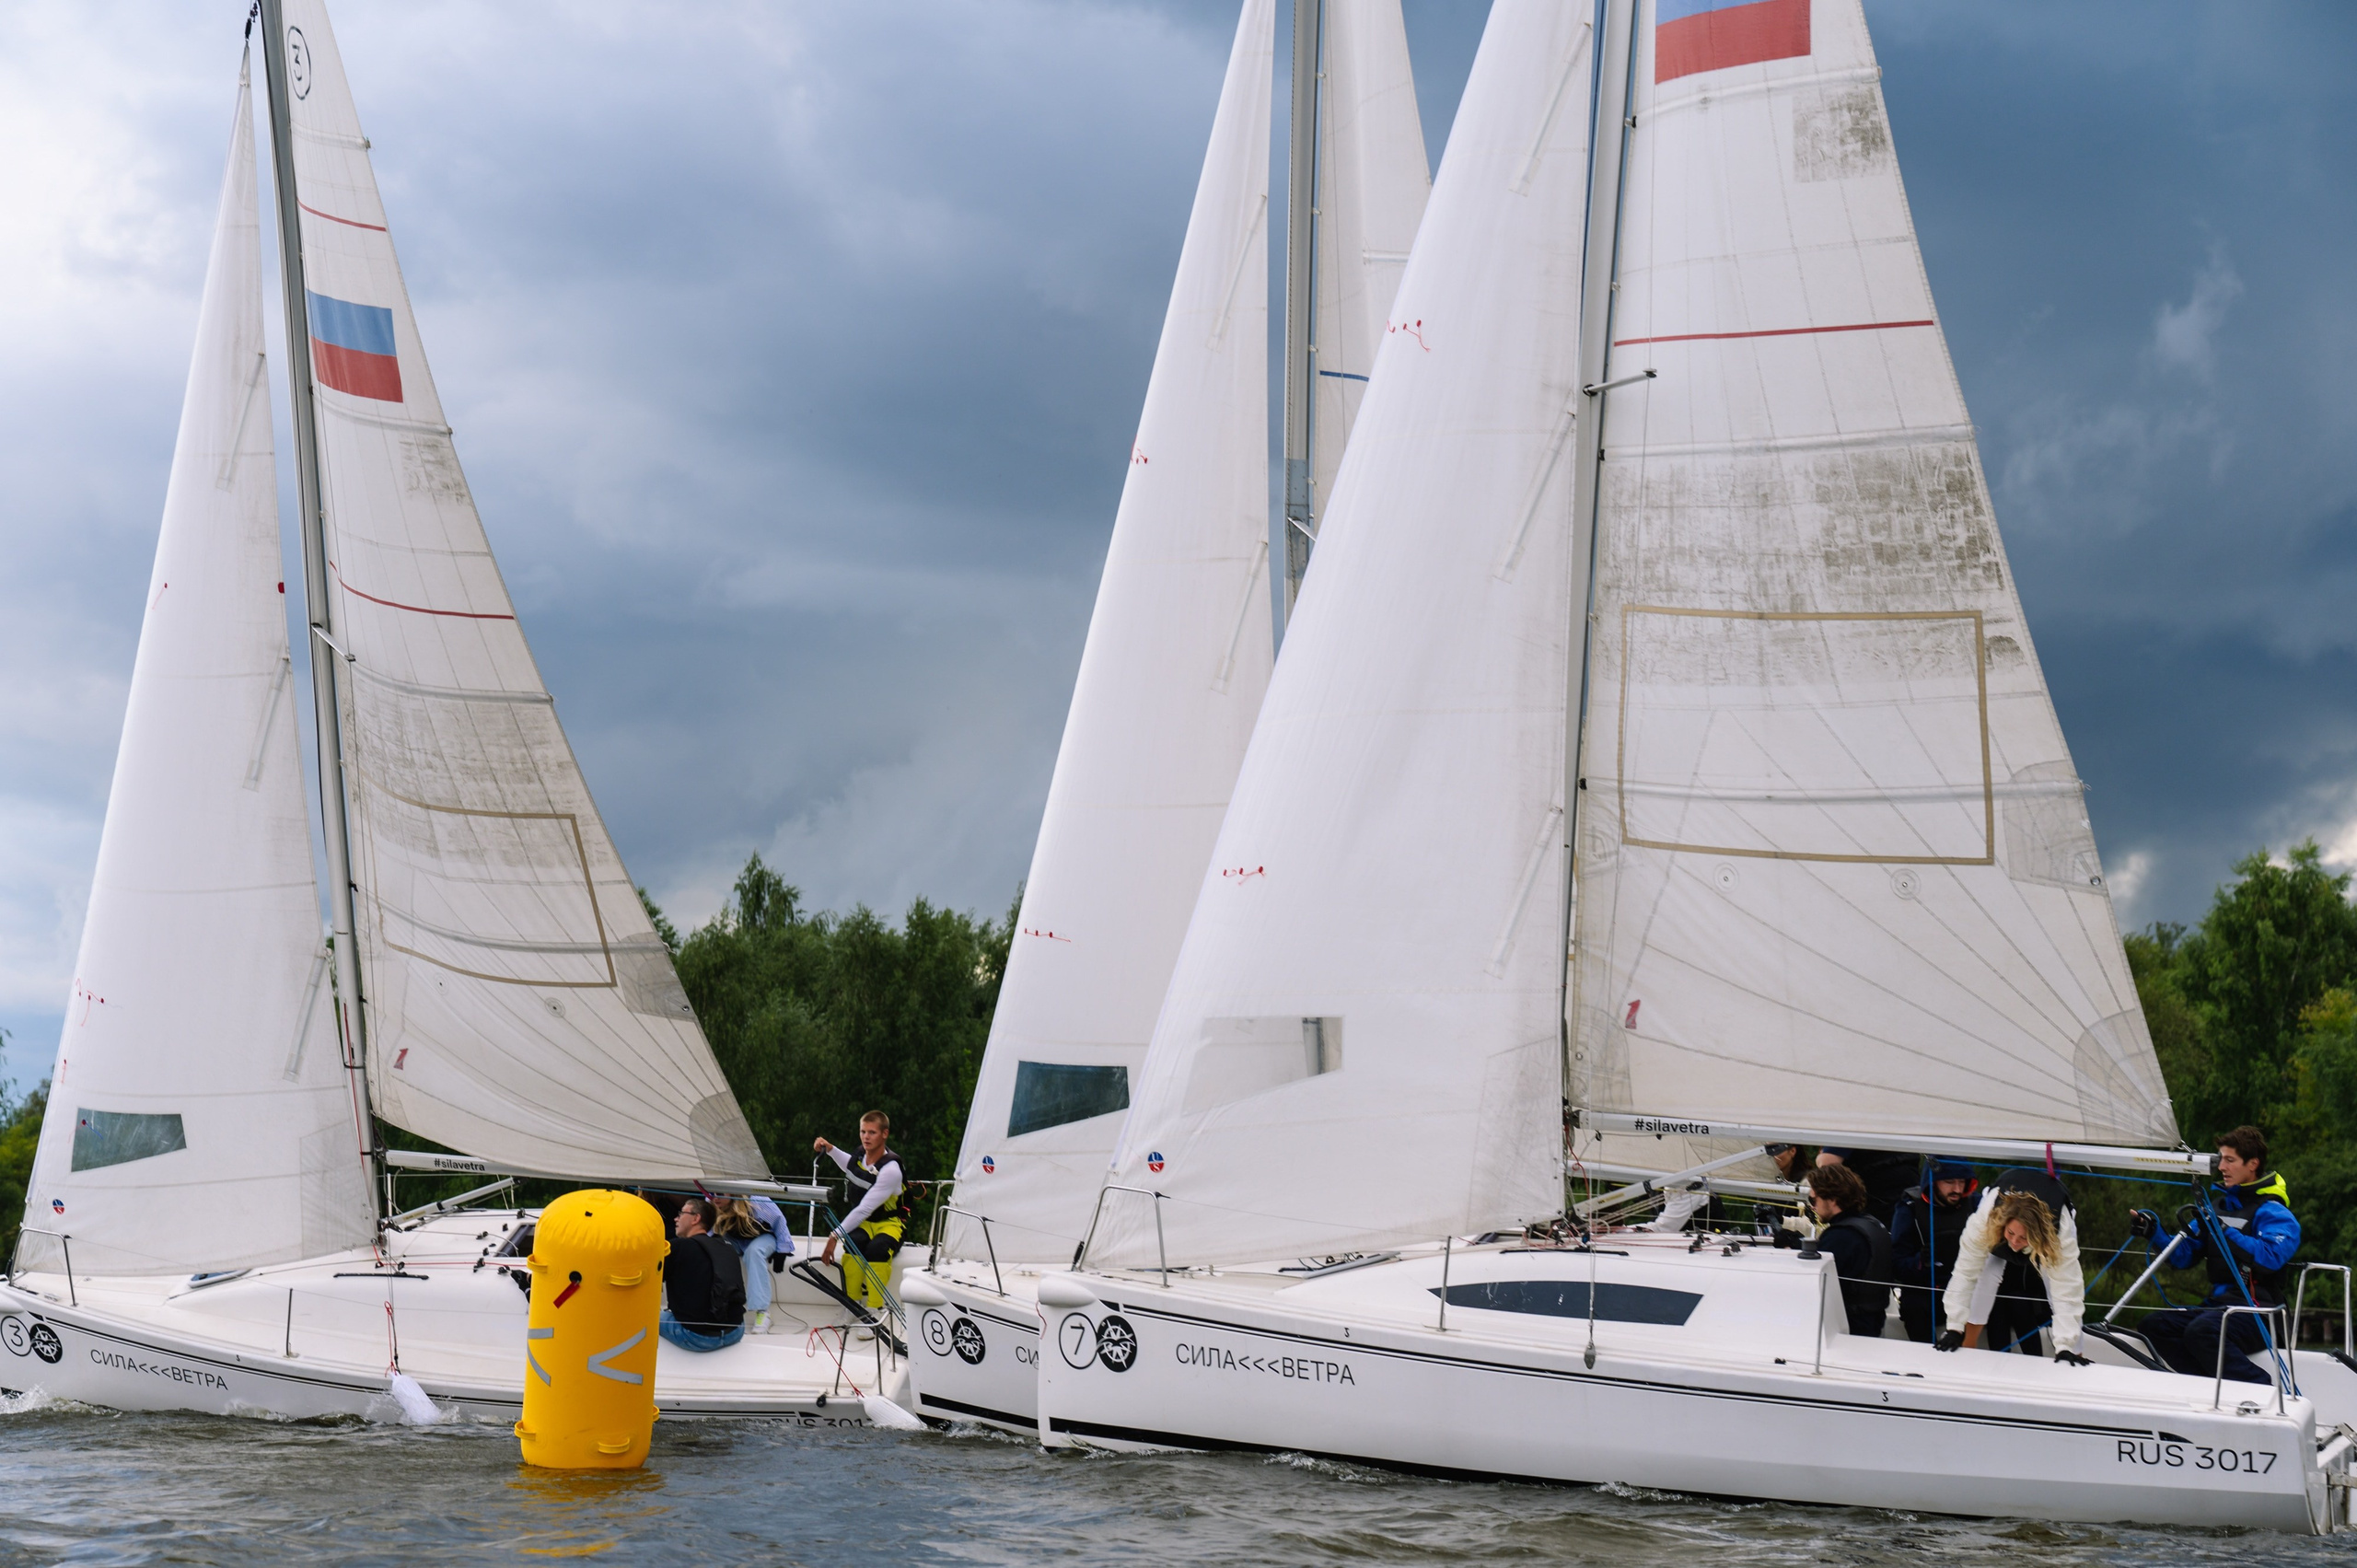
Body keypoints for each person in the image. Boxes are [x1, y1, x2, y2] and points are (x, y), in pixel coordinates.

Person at [2135, 1125, 2300, 1386]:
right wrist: (2153, 1232)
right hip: (2219, 1306)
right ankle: (2206, 1388)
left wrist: (2223, 1231)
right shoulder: (2217, 1208)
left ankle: (2262, 1389)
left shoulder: (2275, 1213)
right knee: (2153, 1326)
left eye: (2230, 1160)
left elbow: (2270, 1257)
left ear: (2252, 1164)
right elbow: (2183, 1257)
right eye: (2220, 1159)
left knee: (2202, 1332)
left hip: (2261, 1313)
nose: (2221, 1166)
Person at [1937, 1188, 2089, 1364]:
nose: (2015, 1242)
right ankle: (1967, 1343)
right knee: (1988, 1274)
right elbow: (1964, 1272)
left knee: (2056, 1288)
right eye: (2011, 1233)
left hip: (2049, 1232)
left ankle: (2073, 1354)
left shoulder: (2060, 1233)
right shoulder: (1984, 1221)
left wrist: (2064, 1346)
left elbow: (2068, 1292)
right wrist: (1954, 1327)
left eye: (2023, 1238)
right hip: (1997, 1224)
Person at [1774, 1163, 1893, 1337]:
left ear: (1832, 1199)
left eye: (1814, 1200)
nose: (1812, 1207)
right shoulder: (1872, 1224)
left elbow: (1817, 1284)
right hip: (1872, 1322)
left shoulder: (1841, 1235)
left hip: (1848, 1328)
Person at [816, 1111, 912, 1318]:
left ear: (885, 1134)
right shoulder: (861, 1156)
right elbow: (850, 1166)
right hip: (865, 1223)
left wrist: (834, 1235)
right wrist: (830, 1149)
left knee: (877, 1250)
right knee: (853, 1244)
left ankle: (874, 1309)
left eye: (872, 1132)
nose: (866, 1137)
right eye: (863, 1131)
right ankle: (852, 1303)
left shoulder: (891, 1170)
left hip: (890, 1224)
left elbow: (864, 1208)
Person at [1889, 1160, 1979, 1343]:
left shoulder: (1975, 1205)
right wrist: (1920, 1261)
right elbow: (1896, 1263)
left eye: (1962, 1182)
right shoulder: (1909, 1207)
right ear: (1933, 1182)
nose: (1957, 1189)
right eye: (1949, 1182)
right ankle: (1927, 1362)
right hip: (1925, 1292)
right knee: (1914, 1305)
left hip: (1966, 1290)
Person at [659, 1197, 747, 1352]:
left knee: (647, 1317)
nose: (676, 1218)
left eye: (681, 1213)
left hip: (697, 1337)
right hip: (735, 1331)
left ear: (696, 1218)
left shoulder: (678, 1247)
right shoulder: (727, 1247)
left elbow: (650, 1277)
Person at [713, 1194, 795, 1334]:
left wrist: (782, 1250)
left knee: (755, 1252)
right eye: (712, 1193)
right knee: (718, 1248)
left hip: (763, 1236)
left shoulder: (758, 1202)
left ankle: (763, 1312)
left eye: (720, 1194)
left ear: (732, 1194)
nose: (715, 1197)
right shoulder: (711, 1201)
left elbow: (780, 1222)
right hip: (735, 1239)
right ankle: (722, 1306)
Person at [1817, 1146, 1921, 1230]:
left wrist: (1820, 1156)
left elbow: (1827, 1163)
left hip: (1876, 1201)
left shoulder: (1850, 1123)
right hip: (1909, 1196)